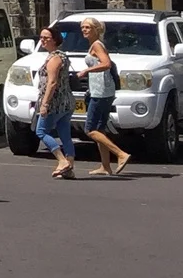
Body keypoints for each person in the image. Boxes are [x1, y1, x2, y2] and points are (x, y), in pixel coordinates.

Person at [74, 16, 131, 176]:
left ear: (96, 30)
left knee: (90, 129)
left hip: (101, 92)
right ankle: (105, 166)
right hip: (102, 90)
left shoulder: (97, 45)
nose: (84, 30)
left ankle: (120, 154)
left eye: (87, 27)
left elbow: (106, 64)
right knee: (100, 128)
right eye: (83, 27)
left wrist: (86, 71)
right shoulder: (95, 45)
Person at [34, 25, 76, 179]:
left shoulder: (55, 58)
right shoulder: (61, 56)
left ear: (55, 40)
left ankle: (62, 160)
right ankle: (69, 168)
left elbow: (52, 83)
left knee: (41, 131)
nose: (43, 40)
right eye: (41, 37)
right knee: (64, 134)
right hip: (66, 101)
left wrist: (45, 104)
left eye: (46, 38)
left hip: (56, 102)